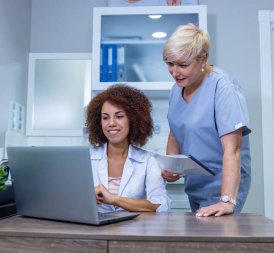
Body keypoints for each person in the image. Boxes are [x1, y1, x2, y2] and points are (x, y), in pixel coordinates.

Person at [162, 24, 251, 217]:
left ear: (203, 59)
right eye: (170, 63)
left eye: (182, 65)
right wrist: (172, 166)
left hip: (223, 185)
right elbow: (175, 132)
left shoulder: (222, 86)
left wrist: (226, 201)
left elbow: (232, 149)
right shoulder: (177, 88)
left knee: (216, 241)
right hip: (195, 183)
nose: (175, 72)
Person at [86, 84, 170, 213]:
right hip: (94, 231)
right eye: (105, 117)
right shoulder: (85, 158)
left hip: (134, 230)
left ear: (133, 120)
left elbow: (161, 206)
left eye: (119, 116)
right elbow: (66, 199)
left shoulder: (148, 160)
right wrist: (85, 197)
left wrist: (114, 199)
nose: (111, 123)